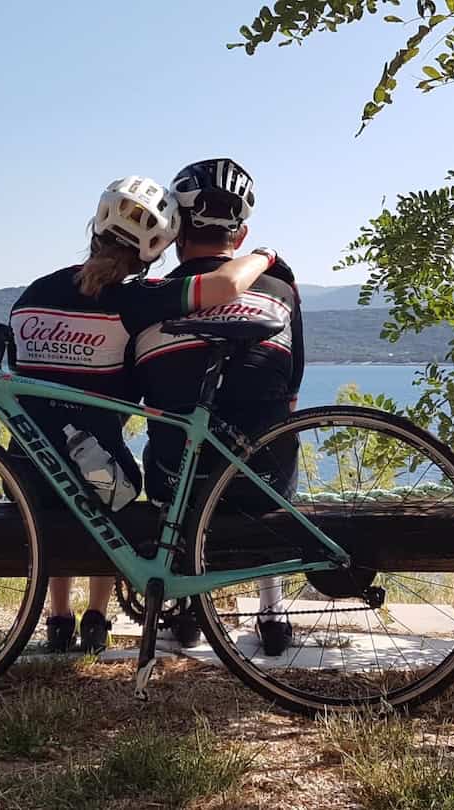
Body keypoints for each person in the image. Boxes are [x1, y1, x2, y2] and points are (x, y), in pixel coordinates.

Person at [7, 174, 280, 654]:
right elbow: (222, 287)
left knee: (59, 478)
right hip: (103, 480)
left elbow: (21, 372)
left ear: (94, 227)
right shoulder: (136, 300)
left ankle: (58, 617)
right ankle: (95, 616)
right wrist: (265, 256)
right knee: (106, 489)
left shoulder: (32, 294)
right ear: (154, 251)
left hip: (25, 476)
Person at [133, 158, 305, 657]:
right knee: (270, 432)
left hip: (178, 485)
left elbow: (138, 390)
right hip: (267, 483)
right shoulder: (280, 289)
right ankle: (272, 614)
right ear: (242, 231)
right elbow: (292, 382)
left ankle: (186, 610)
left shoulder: (153, 297)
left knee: (177, 449)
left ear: (176, 228)